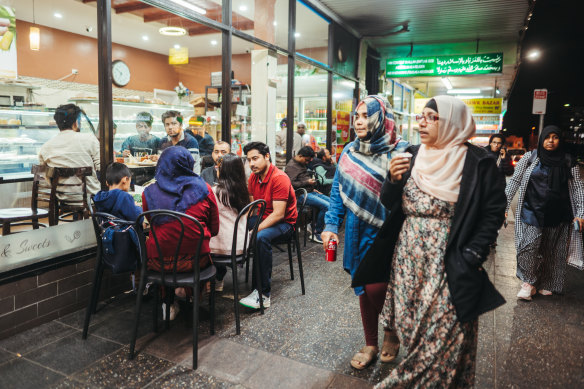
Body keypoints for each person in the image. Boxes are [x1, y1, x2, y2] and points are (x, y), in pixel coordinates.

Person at [358, 96, 506, 388]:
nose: (421, 122)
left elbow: (493, 212)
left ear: (451, 122)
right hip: (408, 261)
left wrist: (473, 255)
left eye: (431, 117)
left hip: (451, 261)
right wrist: (393, 179)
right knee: (415, 333)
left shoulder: (479, 163)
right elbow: (390, 204)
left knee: (444, 338)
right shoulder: (413, 155)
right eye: (420, 116)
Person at [320, 95, 408, 370]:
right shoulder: (349, 151)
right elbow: (337, 191)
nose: (358, 121)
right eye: (356, 116)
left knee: (378, 286)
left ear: (381, 119)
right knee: (363, 288)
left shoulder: (401, 151)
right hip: (356, 229)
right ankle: (371, 342)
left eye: (365, 115)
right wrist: (331, 226)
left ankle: (391, 331)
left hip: (387, 231)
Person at [505, 125, 584, 300]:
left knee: (552, 252)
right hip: (531, 212)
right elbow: (514, 182)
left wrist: (581, 213)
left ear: (560, 140)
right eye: (547, 137)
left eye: (555, 137)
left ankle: (547, 283)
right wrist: (503, 205)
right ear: (542, 139)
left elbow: (579, 190)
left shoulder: (569, 162)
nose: (550, 140)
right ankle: (528, 282)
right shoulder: (530, 157)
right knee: (527, 248)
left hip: (559, 214)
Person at [142, 146, 219, 320]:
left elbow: (150, 221)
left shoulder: (148, 193)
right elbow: (214, 229)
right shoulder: (205, 189)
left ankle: (167, 302)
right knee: (194, 250)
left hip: (157, 263)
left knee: (165, 245)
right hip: (195, 262)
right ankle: (191, 297)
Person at [239, 142, 297, 309]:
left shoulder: (279, 178)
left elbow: (278, 214)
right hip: (264, 217)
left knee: (260, 237)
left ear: (267, 156)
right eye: (249, 160)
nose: (251, 164)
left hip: (285, 223)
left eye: (255, 158)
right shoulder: (253, 177)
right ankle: (222, 279)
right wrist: (242, 223)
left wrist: (254, 230)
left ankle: (263, 294)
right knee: (235, 228)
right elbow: (253, 208)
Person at [38, 103, 101, 196]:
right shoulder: (89, 139)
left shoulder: (45, 147)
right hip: (91, 199)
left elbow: (45, 176)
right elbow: (102, 168)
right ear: (76, 123)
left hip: (61, 200)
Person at [209, 154, 251, 292]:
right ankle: (218, 279)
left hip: (221, 248)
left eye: (218, 167)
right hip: (242, 244)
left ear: (223, 170)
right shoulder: (244, 190)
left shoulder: (214, 191)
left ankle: (215, 279)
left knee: (201, 244)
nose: (216, 169)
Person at [285, 146, 330, 243]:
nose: (307, 162)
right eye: (306, 160)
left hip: (309, 192)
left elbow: (302, 178)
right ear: (300, 156)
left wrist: (312, 187)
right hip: (300, 195)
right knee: (327, 206)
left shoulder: (300, 164)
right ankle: (316, 232)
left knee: (331, 203)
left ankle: (313, 225)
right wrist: (307, 182)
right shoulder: (291, 166)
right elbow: (291, 184)